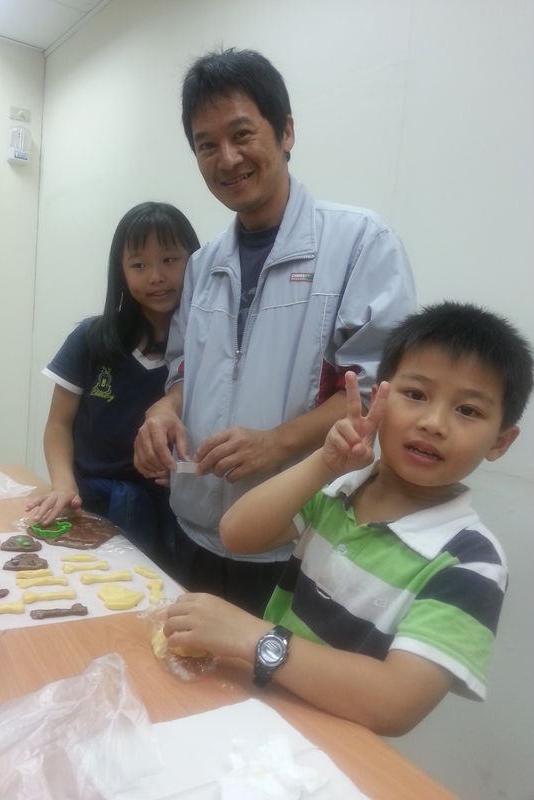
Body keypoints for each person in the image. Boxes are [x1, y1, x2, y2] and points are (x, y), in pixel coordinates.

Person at [162, 302, 533, 734]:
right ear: (380, 399)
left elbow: (395, 705)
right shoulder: (340, 490)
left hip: (330, 750)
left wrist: (250, 636)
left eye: (468, 410)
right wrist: (324, 462)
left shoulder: (472, 561)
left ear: (500, 442)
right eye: (416, 395)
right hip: (256, 712)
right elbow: (236, 533)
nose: (433, 423)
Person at [134, 47, 416, 615]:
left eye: (242, 134)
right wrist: (163, 410)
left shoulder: (359, 243)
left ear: (286, 131)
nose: (227, 158)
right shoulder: (203, 264)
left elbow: (381, 392)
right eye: (206, 145)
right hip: (192, 530)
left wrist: (278, 442)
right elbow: (184, 368)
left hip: (298, 541)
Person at [26, 202, 200, 568]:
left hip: (173, 519)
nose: (156, 276)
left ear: (196, 261)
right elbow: (58, 425)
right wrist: (62, 484)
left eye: (170, 260)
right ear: (120, 272)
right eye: (138, 265)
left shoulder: (206, 350)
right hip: (89, 507)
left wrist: (183, 475)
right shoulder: (91, 338)